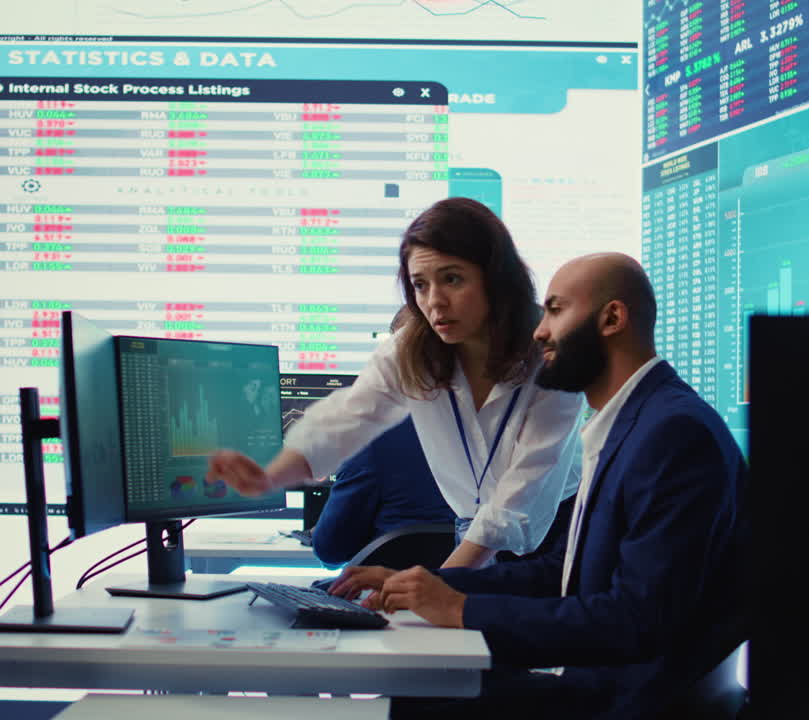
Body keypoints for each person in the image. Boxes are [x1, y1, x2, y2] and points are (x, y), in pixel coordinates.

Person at [331, 253, 748, 719]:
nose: (538, 332)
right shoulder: (635, 422)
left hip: (630, 703)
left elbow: (634, 620)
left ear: (612, 318)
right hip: (606, 686)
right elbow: (563, 574)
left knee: (409, 709)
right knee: (413, 696)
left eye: (555, 310)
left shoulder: (672, 435)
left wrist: (461, 609)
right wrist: (427, 586)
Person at [209, 197, 585, 568]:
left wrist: (441, 584)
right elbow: (344, 420)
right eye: (420, 285)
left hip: (551, 542)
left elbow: (518, 496)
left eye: (452, 279)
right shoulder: (413, 348)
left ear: (496, 278)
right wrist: (269, 477)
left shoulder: (552, 354)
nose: (435, 302)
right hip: (471, 534)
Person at [310, 416, 456, 566]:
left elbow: (331, 551)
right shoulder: (471, 431)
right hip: (463, 582)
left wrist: (318, 534)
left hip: (384, 583)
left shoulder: (370, 440)